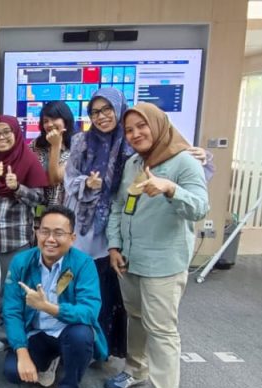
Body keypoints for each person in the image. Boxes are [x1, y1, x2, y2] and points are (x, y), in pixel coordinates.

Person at [65, 87, 214, 360]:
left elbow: (192, 185)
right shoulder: (85, 143)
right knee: (92, 290)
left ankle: (110, 352)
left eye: (107, 109)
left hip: (143, 240)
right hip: (95, 228)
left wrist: (198, 161)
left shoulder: (140, 146)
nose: (101, 116)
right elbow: (71, 180)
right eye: (95, 112)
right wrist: (87, 184)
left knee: (123, 302)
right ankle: (93, 351)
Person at [104, 103, 209, 388]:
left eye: (141, 126)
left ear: (159, 125)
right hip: (130, 258)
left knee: (162, 329)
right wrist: (114, 245)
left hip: (163, 262)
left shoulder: (184, 162)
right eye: (129, 129)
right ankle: (136, 369)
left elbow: (200, 208)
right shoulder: (134, 163)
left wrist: (170, 188)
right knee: (135, 317)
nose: (135, 134)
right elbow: (120, 206)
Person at [1, 206, 106, 388]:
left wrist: (48, 307)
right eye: (44, 231)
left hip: (68, 330)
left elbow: (89, 311)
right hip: (37, 332)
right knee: (12, 372)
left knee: (81, 336)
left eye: (59, 233)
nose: (50, 239)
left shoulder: (83, 264)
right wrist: (21, 353)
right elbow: (11, 311)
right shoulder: (22, 262)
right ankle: (51, 359)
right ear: (36, 233)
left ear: (72, 238)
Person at [0, 115, 48, 352]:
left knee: (11, 289)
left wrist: (17, 188)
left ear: (16, 134)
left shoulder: (28, 159)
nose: (1, 137)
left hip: (15, 240)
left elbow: (40, 199)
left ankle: (7, 335)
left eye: (6, 132)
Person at [29, 101, 74, 211]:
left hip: (65, 210)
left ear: (66, 120)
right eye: (45, 121)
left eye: (54, 119)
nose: (49, 124)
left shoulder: (77, 146)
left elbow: (54, 179)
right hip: (37, 207)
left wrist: (55, 145)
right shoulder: (35, 145)